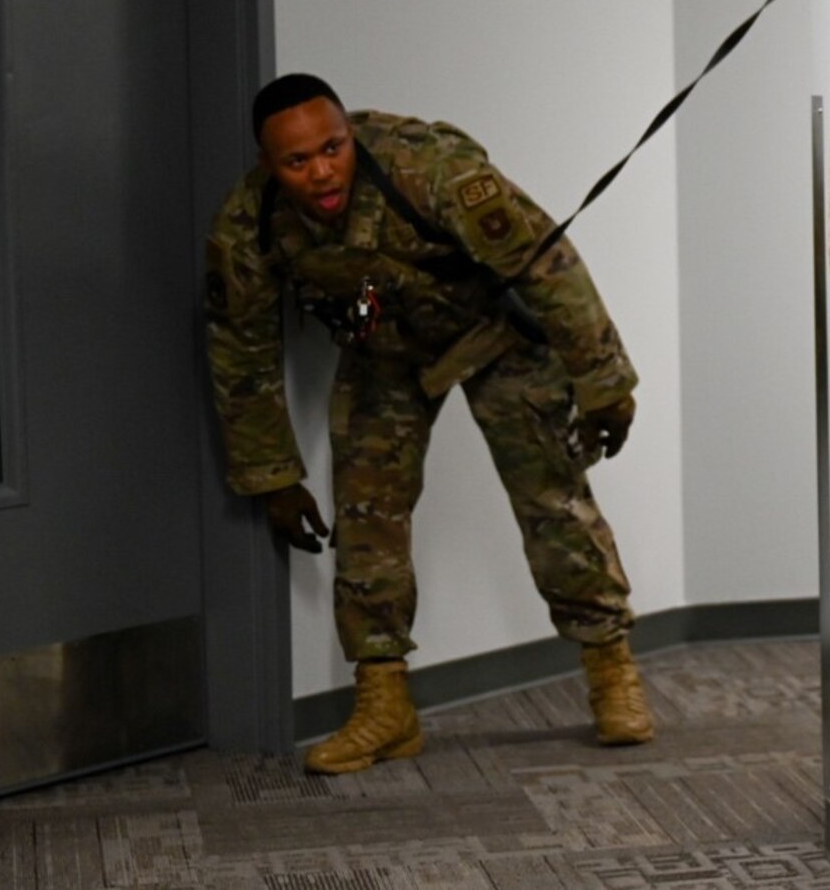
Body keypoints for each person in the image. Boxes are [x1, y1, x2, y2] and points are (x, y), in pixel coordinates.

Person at [203, 73, 653, 774]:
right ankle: (386, 707)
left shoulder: (427, 168)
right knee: (367, 517)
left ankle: (611, 672)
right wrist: (273, 478)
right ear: (268, 165)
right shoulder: (249, 224)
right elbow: (240, 347)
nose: (322, 170)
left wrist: (605, 385)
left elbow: (550, 271)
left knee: (551, 501)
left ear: (349, 133)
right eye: (298, 161)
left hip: (496, 337)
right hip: (386, 354)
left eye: (333, 147)